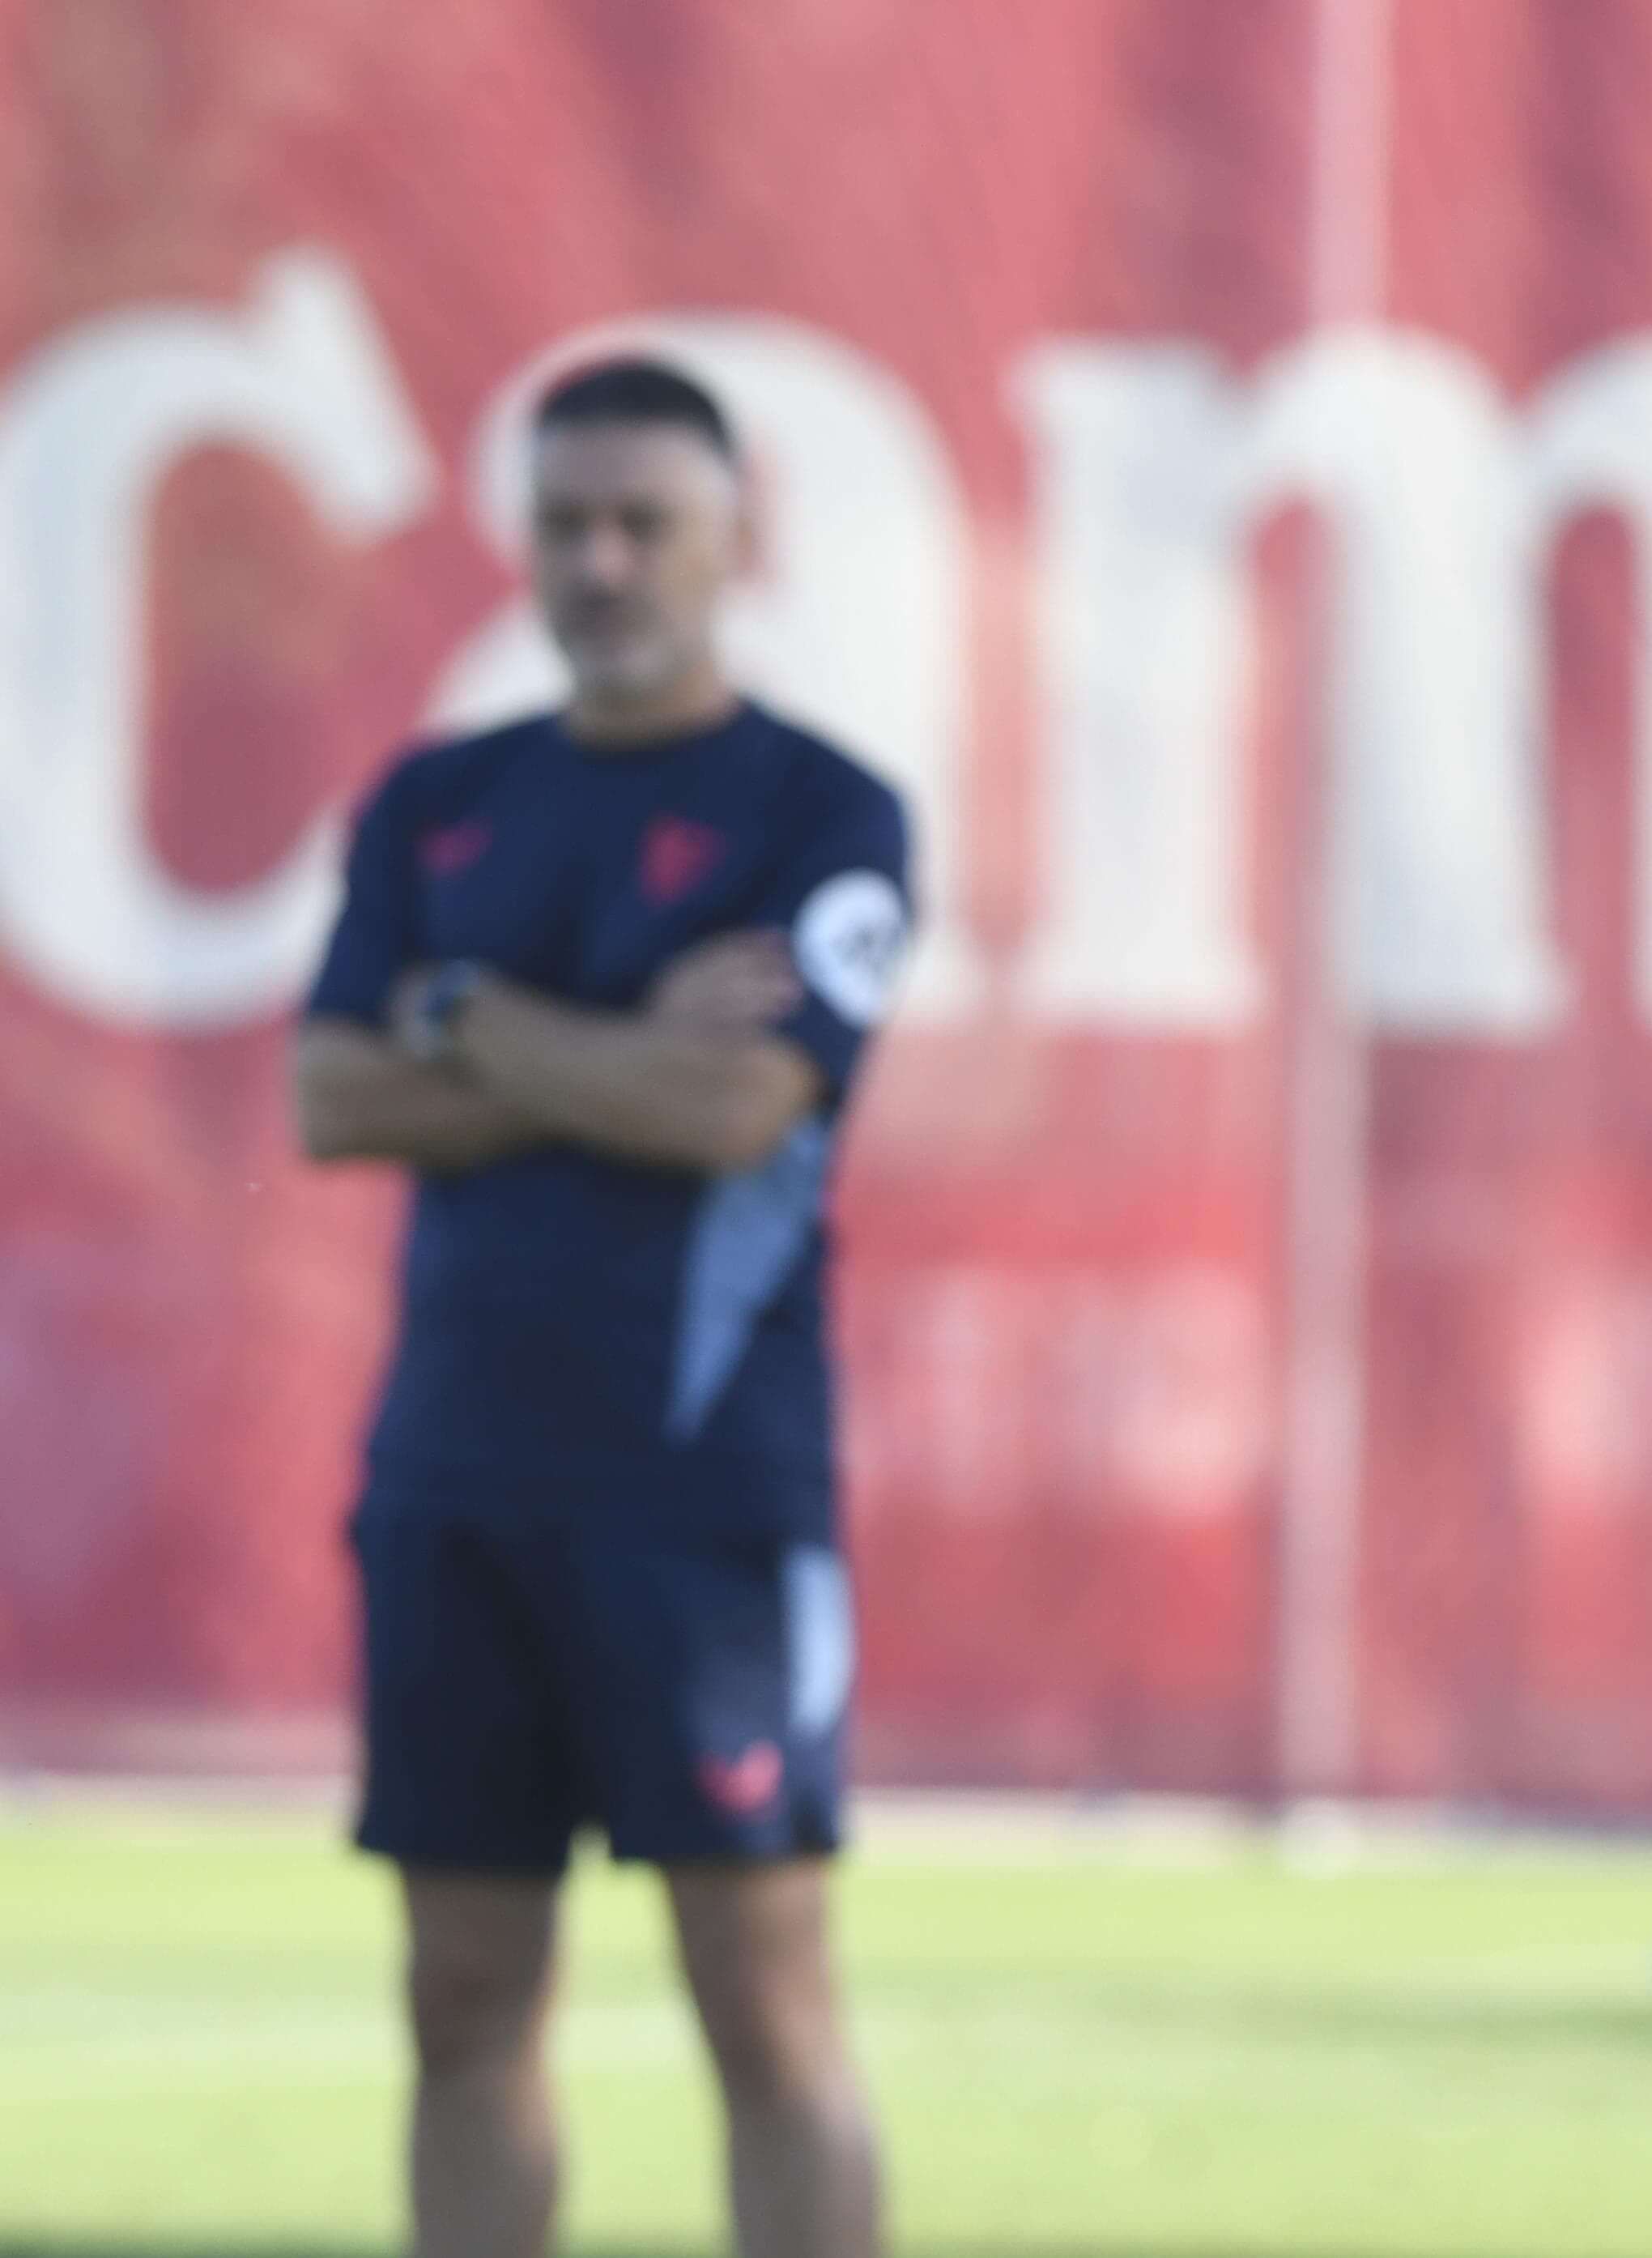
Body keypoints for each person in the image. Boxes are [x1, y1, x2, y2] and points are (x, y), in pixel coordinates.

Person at [293, 356, 907, 2258]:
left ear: (736, 540)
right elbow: (330, 1099)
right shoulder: (439, 803)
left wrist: (466, 1020)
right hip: (457, 1481)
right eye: (568, 523)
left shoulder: (821, 811)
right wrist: (614, 1050)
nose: (605, 561)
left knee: (764, 1996)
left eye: (646, 521)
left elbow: (737, 1106)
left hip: (705, 1494)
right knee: (462, 1999)